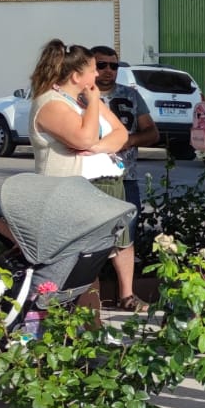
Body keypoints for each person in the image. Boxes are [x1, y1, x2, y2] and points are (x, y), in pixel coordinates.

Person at [27, 40, 138, 308]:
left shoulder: (81, 99)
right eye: (93, 69)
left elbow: (120, 134)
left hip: (95, 191)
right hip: (65, 195)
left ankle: (91, 330)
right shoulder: (51, 103)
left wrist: (99, 146)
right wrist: (95, 105)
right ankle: (60, 328)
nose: (98, 75)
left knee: (92, 261)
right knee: (73, 267)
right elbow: (83, 137)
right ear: (76, 76)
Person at [91, 46, 158, 299]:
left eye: (113, 65)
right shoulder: (79, 97)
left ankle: (126, 295)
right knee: (90, 238)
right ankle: (89, 294)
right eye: (101, 65)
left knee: (125, 235)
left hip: (125, 177)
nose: (108, 70)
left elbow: (152, 133)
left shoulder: (130, 95)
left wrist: (128, 140)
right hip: (88, 178)